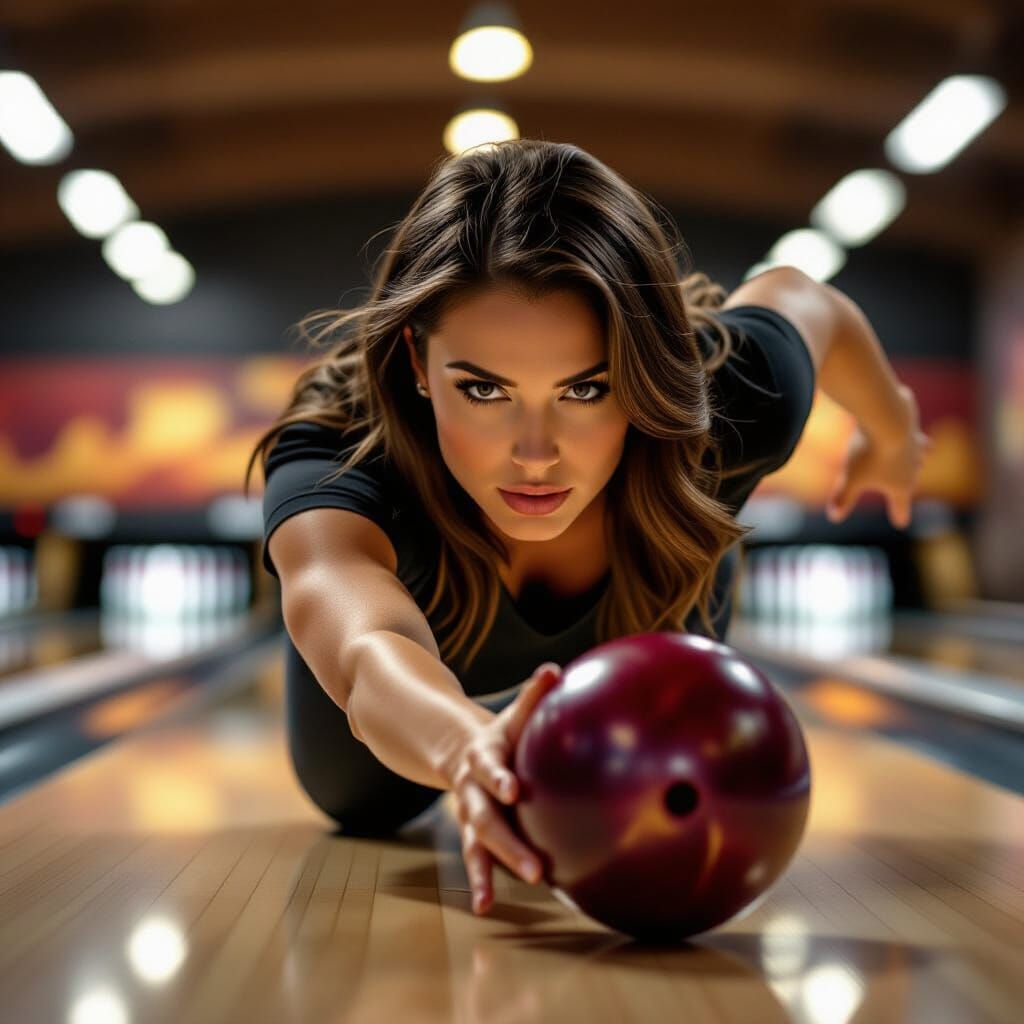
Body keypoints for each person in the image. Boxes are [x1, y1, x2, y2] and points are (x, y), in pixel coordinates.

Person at [244, 139, 931, 917]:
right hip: (385, 739)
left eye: (585, 387)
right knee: (361, 806)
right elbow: (369, 651)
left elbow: (812, 303)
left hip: (663, 582)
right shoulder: (341, 450)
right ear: (415, 361)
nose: (535, 453)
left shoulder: (725, 399)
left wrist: (891, 424)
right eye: (482, 389)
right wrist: (469, 751)